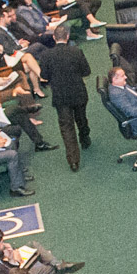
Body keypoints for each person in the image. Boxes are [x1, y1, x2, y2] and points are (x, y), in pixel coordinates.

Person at [38, 25, 90, 172]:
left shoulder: (46, 56)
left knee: (67, 128)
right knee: (81, 118)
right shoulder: (76, 51)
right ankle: (85, 138)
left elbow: (44, 76)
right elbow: (86, 71)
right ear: (67, 36)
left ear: (54, 38)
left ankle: (73, 160)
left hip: (60, 97)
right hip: (78, 92)